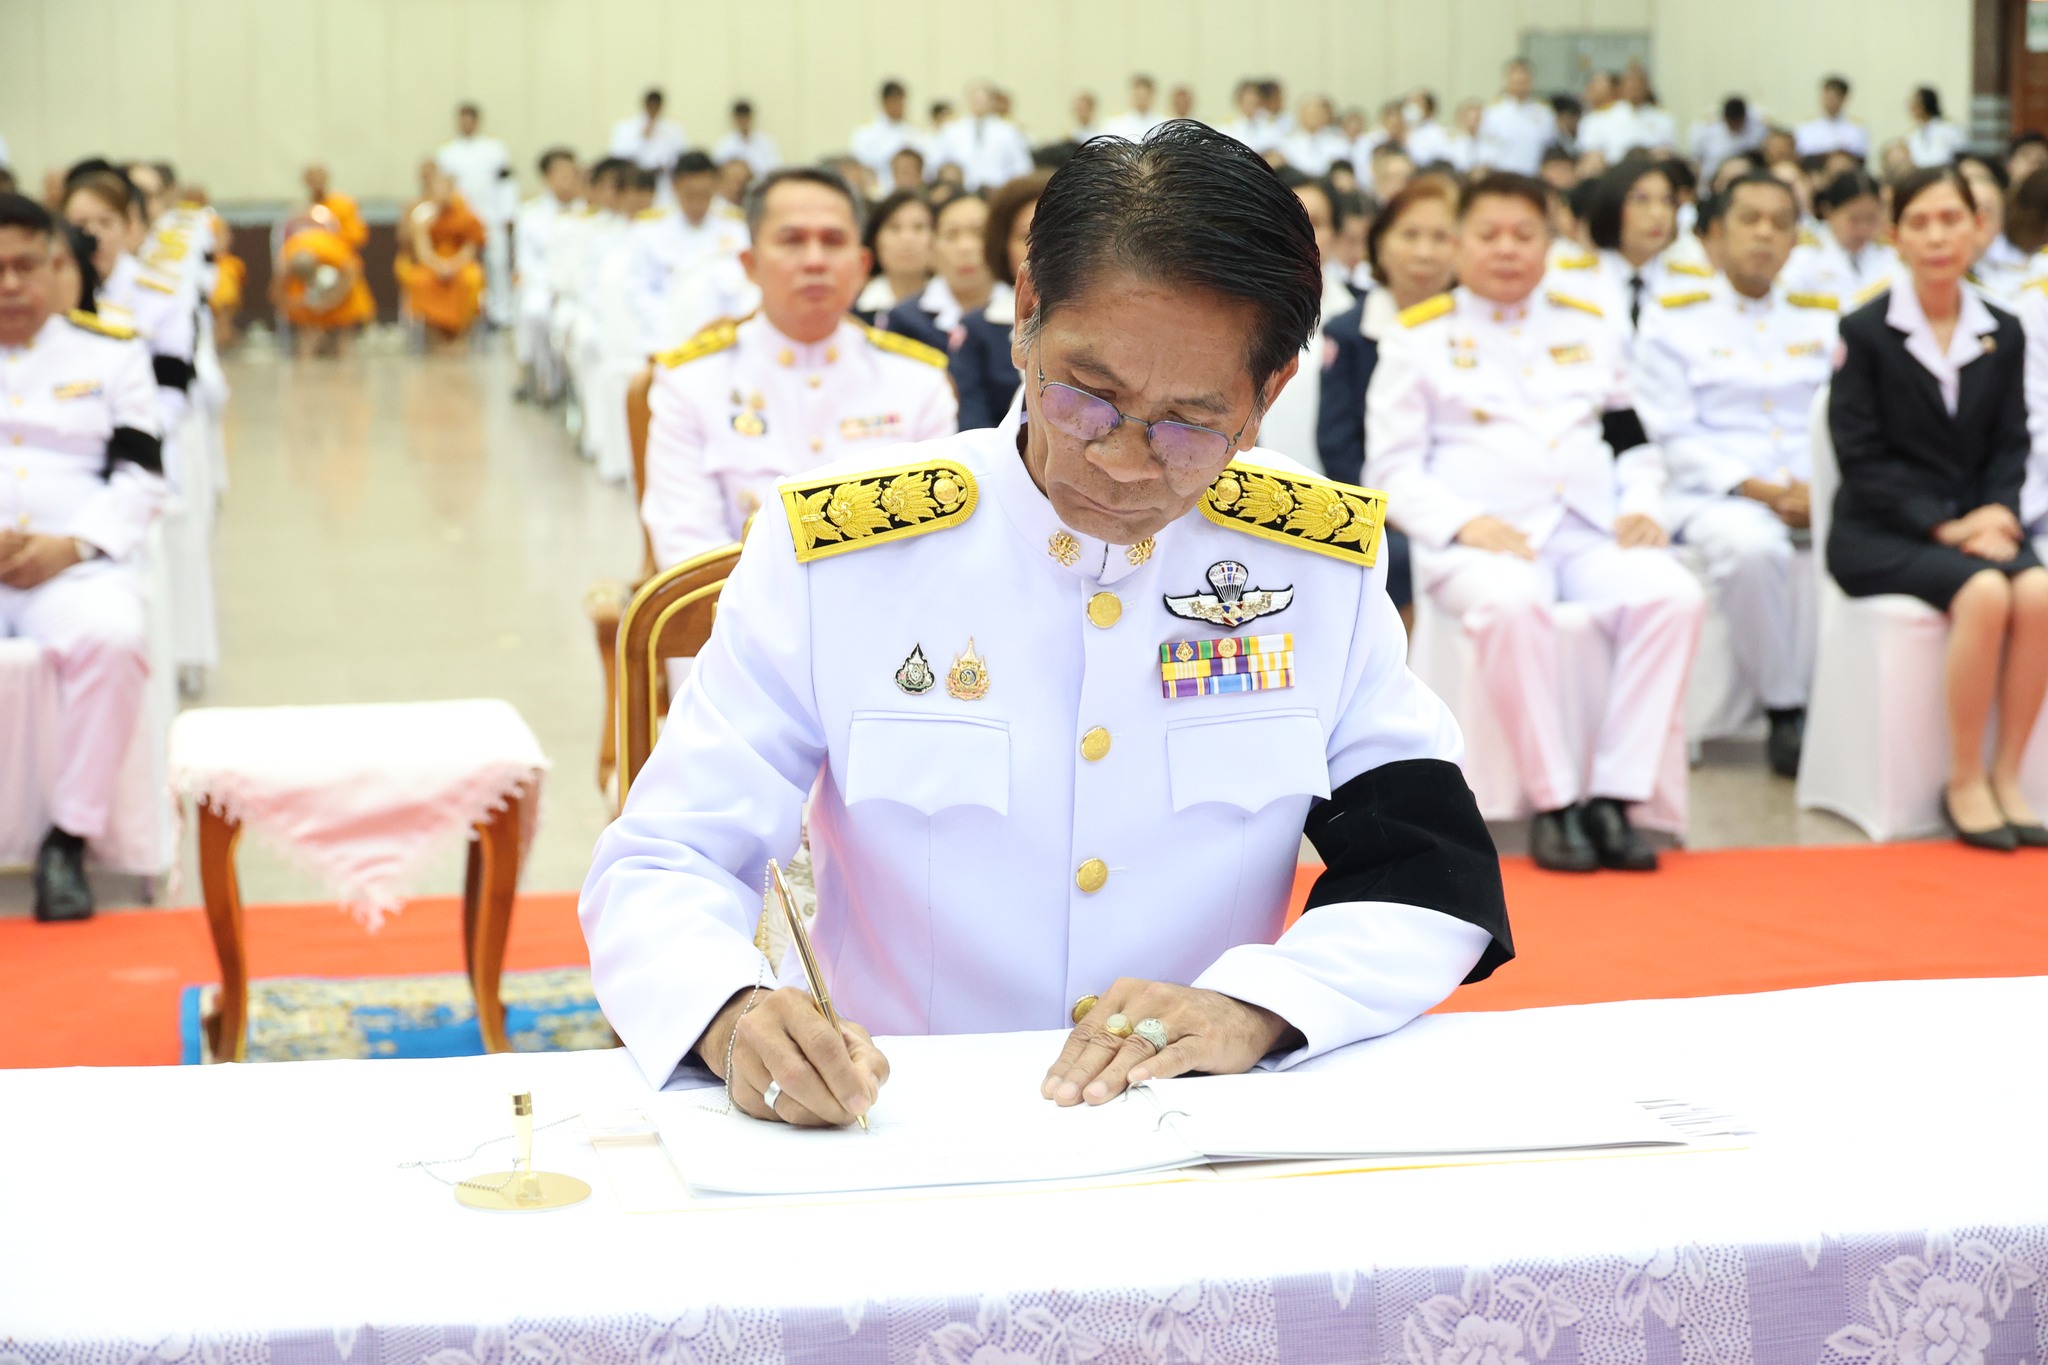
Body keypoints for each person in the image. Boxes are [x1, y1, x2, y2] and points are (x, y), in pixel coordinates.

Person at [583, 123, 1510, 1116]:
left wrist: (1262, 1006)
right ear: (1027, 313)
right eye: (1088, 397)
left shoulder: (1310, 565)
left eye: (1190, 425)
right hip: (904, 1122)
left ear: (1269, 392)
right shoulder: (844, 555)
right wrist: (730, 1011)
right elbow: (668, 855)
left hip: (1192, 1122)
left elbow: (1428, 871)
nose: (1121, 460)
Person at [1367, 172, 1703, 873]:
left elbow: (1631, 438)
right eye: (1488, 234)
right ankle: (1555, 802)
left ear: (1550, 244)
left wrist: (1643, 502)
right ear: (1459, 244)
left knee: (1673, 595)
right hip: (1485, 542)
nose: (1507, 248)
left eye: (1524, 234)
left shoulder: (1588, 325)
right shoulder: (1418, 337)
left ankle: (1616, 795)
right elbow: (1391, 469)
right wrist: (1463, 522)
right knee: (1513, 605)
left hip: (1589, 530)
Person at [1828, 166, 2048, 850]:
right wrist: (1946, 525)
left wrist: (1999, 513)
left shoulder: (2002, 329)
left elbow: (2012, 441)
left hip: (1976, 524)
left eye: (1951, 219)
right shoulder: (1865, 331)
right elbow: (1861, 458)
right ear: (1895, 237)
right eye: (1919, 223)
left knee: (2039, 592)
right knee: (1985, 591)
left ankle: (2008, 774)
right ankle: (1963, 779)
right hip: (1883, 530)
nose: (1937, 237)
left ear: (1978, 228)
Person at [638, 167, 957, 572]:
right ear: (750, 264)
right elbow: (689, 554)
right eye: (791, 241)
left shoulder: (918, 382)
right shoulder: (690, 383)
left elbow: (936, 545)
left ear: (862, 265)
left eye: (833, 241)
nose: (814, 261)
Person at [1634, 173, 1839, 777]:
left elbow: (1846, 418)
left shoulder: (1824, 318)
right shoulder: (1672, 319)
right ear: (1716, 234)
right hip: (1716, 493)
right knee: (1752, 549)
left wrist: (1822, 486)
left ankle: (1845, 708)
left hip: (1814, 487)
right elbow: (1670, 432)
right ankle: (1784, 709)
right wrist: (1762, 491)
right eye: (1750, 220)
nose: (1764, 234)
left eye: (1780, 223)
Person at [0, 193, 166, 922]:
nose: (11, 285)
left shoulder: (111, 353)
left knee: (115, 639)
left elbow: (144, 476)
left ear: (55, 266)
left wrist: (70, 546)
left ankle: (68, 839)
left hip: (69, 565)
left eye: (25, 266)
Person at [1319, 178, 1460, 619]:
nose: (1424, 253)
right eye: (1410, 235)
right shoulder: (1348, 331)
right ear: (1380, 245)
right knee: (1397, 557)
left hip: (1467, 498)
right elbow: (1338, 446)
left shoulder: (1481, 326)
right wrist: (1401, 507)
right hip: (1379, 505)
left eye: (1440, 237)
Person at [628, 151, 749, 355]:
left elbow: (745, 287)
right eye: (690, 195)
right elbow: (639, 290)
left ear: (715, 187)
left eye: (705, 195)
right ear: (675, 187)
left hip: (725, 337)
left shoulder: (736, 227)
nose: (697, 203)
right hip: (668, 337)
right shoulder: (649, 230)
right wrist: (674, 329)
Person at [1576, 158, 1707, 336]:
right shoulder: (1575, 280)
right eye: (1641, 199)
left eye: (1667, 201)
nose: (1658, 213)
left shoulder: (1697, 285)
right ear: (1611, 204)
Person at [877, 192, 989, 353]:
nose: (966, 247)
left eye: (979, 233)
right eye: (951, 235)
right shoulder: (904, 320)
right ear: (932, 246)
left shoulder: (1021, 309)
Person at [436, 102, 514, 326]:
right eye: (462, 119)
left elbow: (506, 182)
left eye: (470, 119)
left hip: (491, 216)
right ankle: (469, 311)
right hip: (462, 219)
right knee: (466, 266)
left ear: (477, 121)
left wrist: (507, 212)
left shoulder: (495, 149)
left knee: (497, 263)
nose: (466, 124)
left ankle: (502, 313)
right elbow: (444, 188)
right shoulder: (447, 153)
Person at [514, 148, 581, 401]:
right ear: (547, 178)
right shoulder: (530, 214)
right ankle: (547, 380)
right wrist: (550, 284)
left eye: (571, 175)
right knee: (535, 312)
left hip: (577, 286)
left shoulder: (586, 211)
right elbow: (526, 261)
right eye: (560, 175)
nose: (567, 181)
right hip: (542, 284)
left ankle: (572, 380)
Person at [399, 169, 487, 345]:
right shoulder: (422, 215)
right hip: (431, 264)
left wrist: (452, 266)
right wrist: (438, 266)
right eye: (437, 189)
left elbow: (469, 249)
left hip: (459, 263)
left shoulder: (465, 215)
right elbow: (422, 249)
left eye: (445, 188)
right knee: (421, 281)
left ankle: (461, 335)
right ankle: (433, 336)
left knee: (470, 279)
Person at [274, 204, 373, 356]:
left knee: (344, 340)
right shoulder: (288, 256)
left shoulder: (329, 248)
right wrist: (303, 303)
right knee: (308, 339)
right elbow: (277, 293)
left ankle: (344, 361)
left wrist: (332, 298)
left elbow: (352, 271)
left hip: (342, 300)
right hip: (307, 306)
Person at [1782, 169, 1896, 299]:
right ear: (1829, 212)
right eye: (1855, 219)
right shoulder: (1803, 255)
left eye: (1871, 219)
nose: (1863, 229)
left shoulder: (1889, 253)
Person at [932, 81, 1033, 191]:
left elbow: (1021, 166)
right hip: (959, 191)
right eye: (975, 99)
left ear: (992, 101)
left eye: (983, 99)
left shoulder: (1009, 131)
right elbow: (937, 163)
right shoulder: (950, 130)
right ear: (968, 100)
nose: (979, 103)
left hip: (998, 190)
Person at [853, 189, 933, 323]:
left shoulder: (955, 306)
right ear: (875, 240)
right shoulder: (856, 312)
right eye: (894, 228)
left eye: (918, 228)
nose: (907, 239)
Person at [1478, 58, 1556, 176]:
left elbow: (1549, 146)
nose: (1520, 86)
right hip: (1501, 175)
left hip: (1533, 175)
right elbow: (1485, 148)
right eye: (1516, 82)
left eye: (1524, 81)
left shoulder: (1544, 112)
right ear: (1507, 81)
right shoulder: (1493, 111)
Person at [851, 81, 925, 192]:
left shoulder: (912, 132)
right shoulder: (866, 133)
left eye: (902, 102)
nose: (900, 106)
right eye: (896, 101)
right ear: (885, 101)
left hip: (908, 191)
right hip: (877, 191)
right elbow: (861, 166)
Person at [609, 88, 689, 176]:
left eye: (656, 105)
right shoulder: (625, 128)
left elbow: (681, 155)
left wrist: (668, 164)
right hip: (635, 176)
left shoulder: (674, 129)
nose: (653, 108)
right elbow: (618, 156)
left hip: (662, 176)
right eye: (650, 105)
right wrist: (642, 138)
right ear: (644, 104)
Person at [1692, 97, 1767, 187]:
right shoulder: (1706, 130)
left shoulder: (1759, 129)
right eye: (1731, 122)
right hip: (1712, 183)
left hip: (1747, 182)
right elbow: (1696, 160)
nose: (1734, 126)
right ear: (1724, 118)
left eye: (1738, 122)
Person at [1796, 76, 1868, 161]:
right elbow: (1803, 154)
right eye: (1827, 96)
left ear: (1843, 99)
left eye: (1834, 97)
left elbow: (1860, 155)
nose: (1829, 101)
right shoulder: (1807, 126)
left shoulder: (1856, 128)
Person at [302, 164, 368, 252]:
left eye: (319, 177)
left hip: (338, 252)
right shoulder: (301, 210)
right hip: (308, 252)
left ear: (326, 178)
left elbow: (357, 237)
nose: (316, 181)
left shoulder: (344, 204)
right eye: (312, 178)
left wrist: (329, 236)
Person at [712, 100, 781, 180]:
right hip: (735, 185)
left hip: (762, 183)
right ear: (735, 119)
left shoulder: (766, 142)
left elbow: (776, 168)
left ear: (751, 117)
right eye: (740, 118)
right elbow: (718, 170)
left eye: (746, 117)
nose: (743, 121)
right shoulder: (725, 144)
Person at [1281, 96, 1348, 176]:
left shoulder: (1338, 141)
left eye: (1318, 114)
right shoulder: (1287, 143)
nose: (1314, 117)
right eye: (1310, 114)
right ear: (1300, 116)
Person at [1906, 87, 1965, 169]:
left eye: (1915, 104)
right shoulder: (1913, 134)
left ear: (1925, 105)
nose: (1911, 108)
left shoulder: (1950, 130)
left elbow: (1961, 155)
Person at [1103, 74, 1164, 143]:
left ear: (1152, 94)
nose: (1141, 98)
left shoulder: (1164, 125)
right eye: (1138, 94)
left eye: (1144, 94)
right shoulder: (1114, 125)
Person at [1403, 91, 1451, 167]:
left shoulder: (1439, 134)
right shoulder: (1404, 131)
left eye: (1417, 104)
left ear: (1430, 109)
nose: (1412, 108)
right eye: (1409, 105)